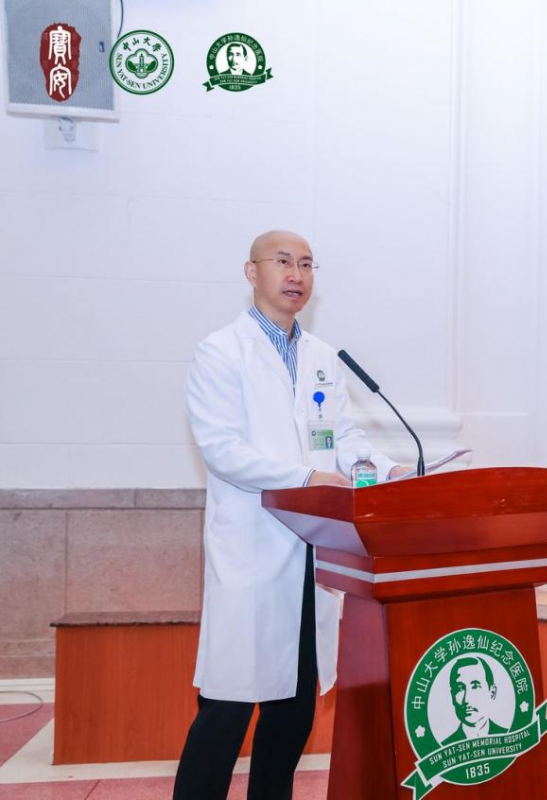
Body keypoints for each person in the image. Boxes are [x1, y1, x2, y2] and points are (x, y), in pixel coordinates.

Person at [174, 230, 406, 799]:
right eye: (282, 262)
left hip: (314, 553)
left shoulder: (324, 357)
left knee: (295, 708)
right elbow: (222, 450)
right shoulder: (220, 351)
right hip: (253, 550)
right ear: (252, 272)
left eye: (306, 264)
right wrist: (304, 479)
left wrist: (389, 470)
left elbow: (342, 439)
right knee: (228, 708)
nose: (296, 274)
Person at [439, 656, 509, 745]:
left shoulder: (508, 737)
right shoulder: (445, 746)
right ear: (452, 696)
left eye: (475, 686)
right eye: (460, 689)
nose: (466, 700)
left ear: (492, 693)